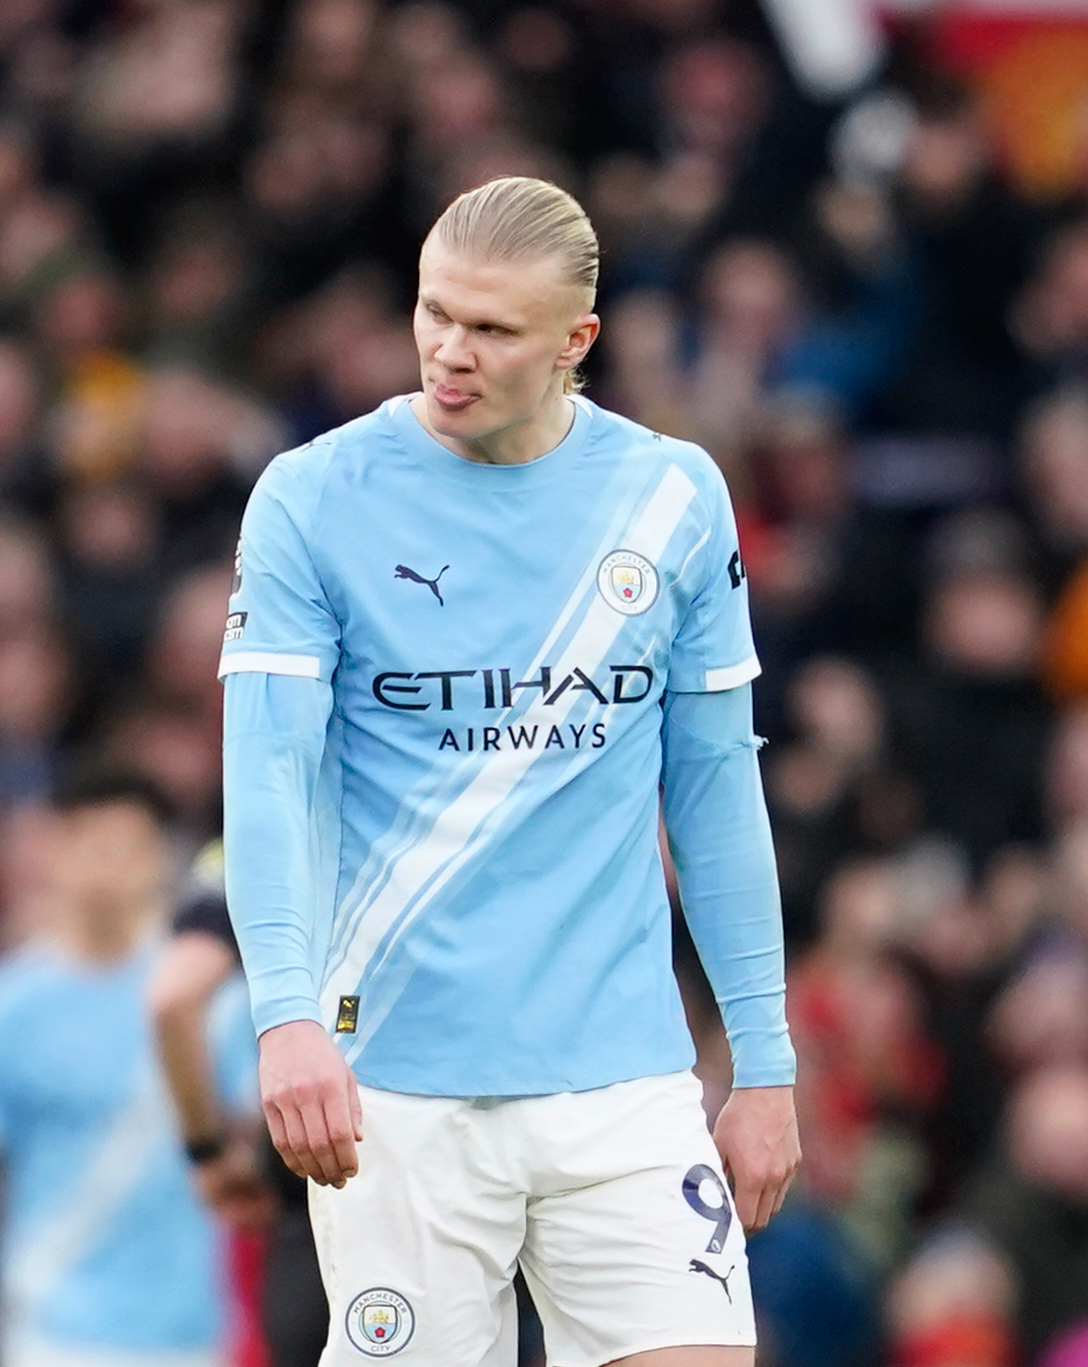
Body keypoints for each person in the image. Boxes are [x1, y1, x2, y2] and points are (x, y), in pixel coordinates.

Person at [218, 176, 801, 1367]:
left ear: (575, 341)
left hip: (623, 1079)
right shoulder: (313, 496)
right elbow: (267, 771)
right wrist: (283, 1015)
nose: (448, 351)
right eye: (435, 313)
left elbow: (714, 787)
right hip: (401, 1087)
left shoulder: (671, 495)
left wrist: (764, 1059)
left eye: (491, 329)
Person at [0, 774, 231, 1367]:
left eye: (126, 848)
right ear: (54, 854)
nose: (106, 868)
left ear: (158, 863)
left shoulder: (204, 999)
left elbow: (245, 1149)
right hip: (50, 1329)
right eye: (89, 844)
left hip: (191, 1331)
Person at [147, 840, 328, 1367]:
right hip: (495, 1153)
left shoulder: (251, 843)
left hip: (316, 1168)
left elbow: (172, 1000)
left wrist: (208, 1151)